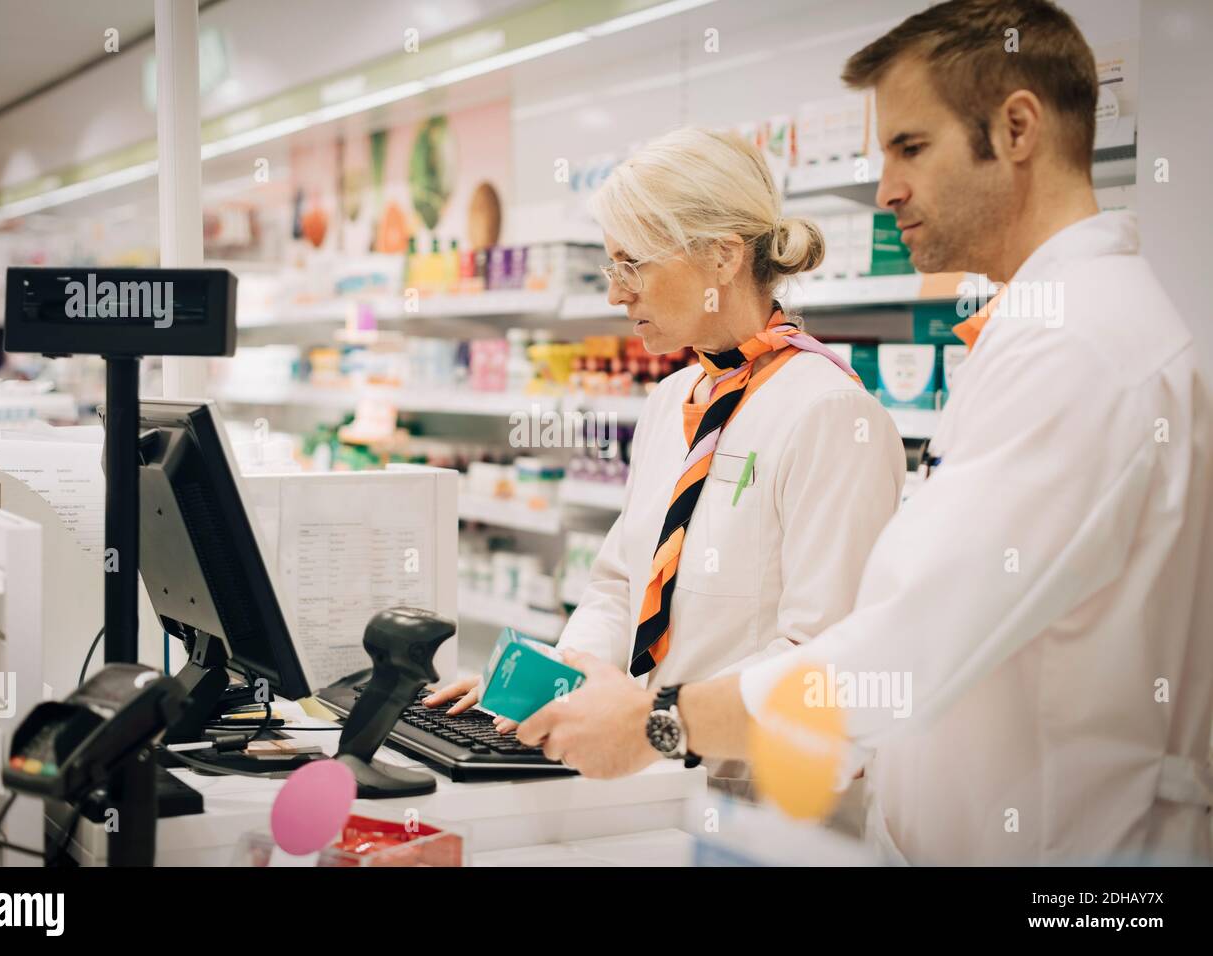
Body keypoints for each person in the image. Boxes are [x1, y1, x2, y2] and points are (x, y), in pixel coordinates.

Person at [514, 0, 1213, 866]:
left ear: (1018, 128)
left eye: (910, 147)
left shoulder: (1079, 350)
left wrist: (664, 721)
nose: (885, 189)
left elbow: (902, 646)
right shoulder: (1045, 334)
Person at [427, 128, 905, 785]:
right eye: (610, 267)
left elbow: (822, 659)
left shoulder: (830, 414)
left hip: (766, 805)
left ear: (722, 258)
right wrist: (556, 688)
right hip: (654, 781)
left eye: (633, 264)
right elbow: (622, 585)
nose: (616, 294)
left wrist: (656, 724)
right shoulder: (673, 398)